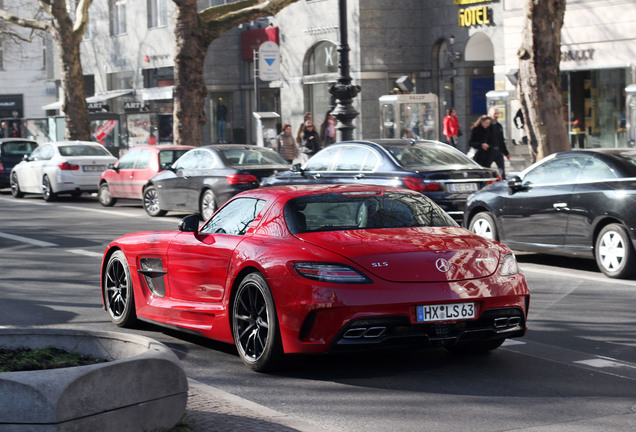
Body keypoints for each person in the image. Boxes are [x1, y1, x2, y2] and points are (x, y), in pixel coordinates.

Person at [487, 107, 511, 179]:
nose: (496, 115)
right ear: (490, 114)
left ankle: (503, 185)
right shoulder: (486, 125)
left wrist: (506, 153)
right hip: (488, 152)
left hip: (498, 152)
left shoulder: (499, 126)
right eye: (495, 114)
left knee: (502, 172)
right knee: (486, 170)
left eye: (497, 114)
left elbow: (501, 140)